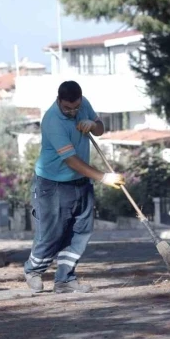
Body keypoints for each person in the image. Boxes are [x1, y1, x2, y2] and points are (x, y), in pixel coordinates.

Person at [24, 80, 125, 294]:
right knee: (53, 232)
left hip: (79, 181)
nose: (72, 112)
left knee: (80, 230)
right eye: (67, 108)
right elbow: (71, 160)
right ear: (58, 100)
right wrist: (104, 177)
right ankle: (33, 269)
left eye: (76, 107)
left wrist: (92, 123)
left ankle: (65, 279)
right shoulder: (52, 120)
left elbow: (100, 130)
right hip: (53, 183)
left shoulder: (83, 104)